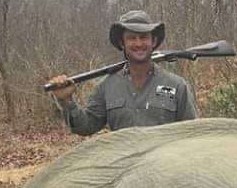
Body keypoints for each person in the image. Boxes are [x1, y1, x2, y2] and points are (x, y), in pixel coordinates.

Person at [48, 10, 198, 136]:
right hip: (124, 168)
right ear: (122, 43)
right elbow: (86, 126)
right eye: (132, 38)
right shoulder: (106, 86)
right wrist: (66, 102)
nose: (138, 44)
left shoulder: (177, 85)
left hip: (164, 168)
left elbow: (192, 133)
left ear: (153, 41)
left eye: (144, 37)